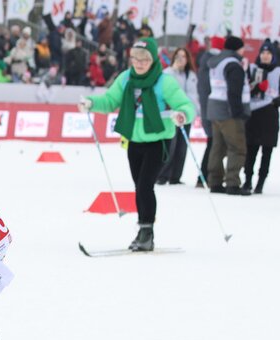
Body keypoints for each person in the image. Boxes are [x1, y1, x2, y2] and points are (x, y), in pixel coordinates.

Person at [80, 38, 196, 251]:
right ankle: (143, 230)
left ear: (153, 60)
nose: (139, 63)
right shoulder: (126, 79)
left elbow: (186, 105)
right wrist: (91, 103)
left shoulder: (164, 82)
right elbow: (109, 101)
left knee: (145, 185)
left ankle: (146, 233)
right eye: (135, 58)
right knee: (139, 187)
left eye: (144, 59)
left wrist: (182, 114)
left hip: (159, 140)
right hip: (134, 141)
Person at [243, 39, 280, 194]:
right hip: (253, 115)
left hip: (269, 115)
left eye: (268, 53)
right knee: (251, 151)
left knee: (267, 152)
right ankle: (248, 180)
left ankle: (260, 183)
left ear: (273, 55)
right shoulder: (251, 69)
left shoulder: (278, 72)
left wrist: (275, 103)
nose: (265, 56)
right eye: (263, 53)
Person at [206, 35, 251, 195]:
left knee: (217, 147)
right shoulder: (233, 65)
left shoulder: (216, 62)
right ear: (237, 48)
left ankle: (215, 182)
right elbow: (234, 91)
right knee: (237, 147)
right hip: (229, 112)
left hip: (214, 110)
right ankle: (233, 183)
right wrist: (239, 112)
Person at [157, 47, 199, 185]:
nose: (181, 59)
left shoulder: (191, 75)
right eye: (178, 56)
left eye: (184, 56)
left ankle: (175, 176)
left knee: (182, 147)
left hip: (186, 114)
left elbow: (194, 96)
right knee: (170, 146)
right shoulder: (168, 73)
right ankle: (162, 175)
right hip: (171, 115)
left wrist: (192, 111)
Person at [195, 35, 224, 188]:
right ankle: (203, 176)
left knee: (213, 143)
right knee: (213, 144)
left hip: (209, 110)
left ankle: (204, 176)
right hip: (213, 111)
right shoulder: (212, 65)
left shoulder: (206, 63)